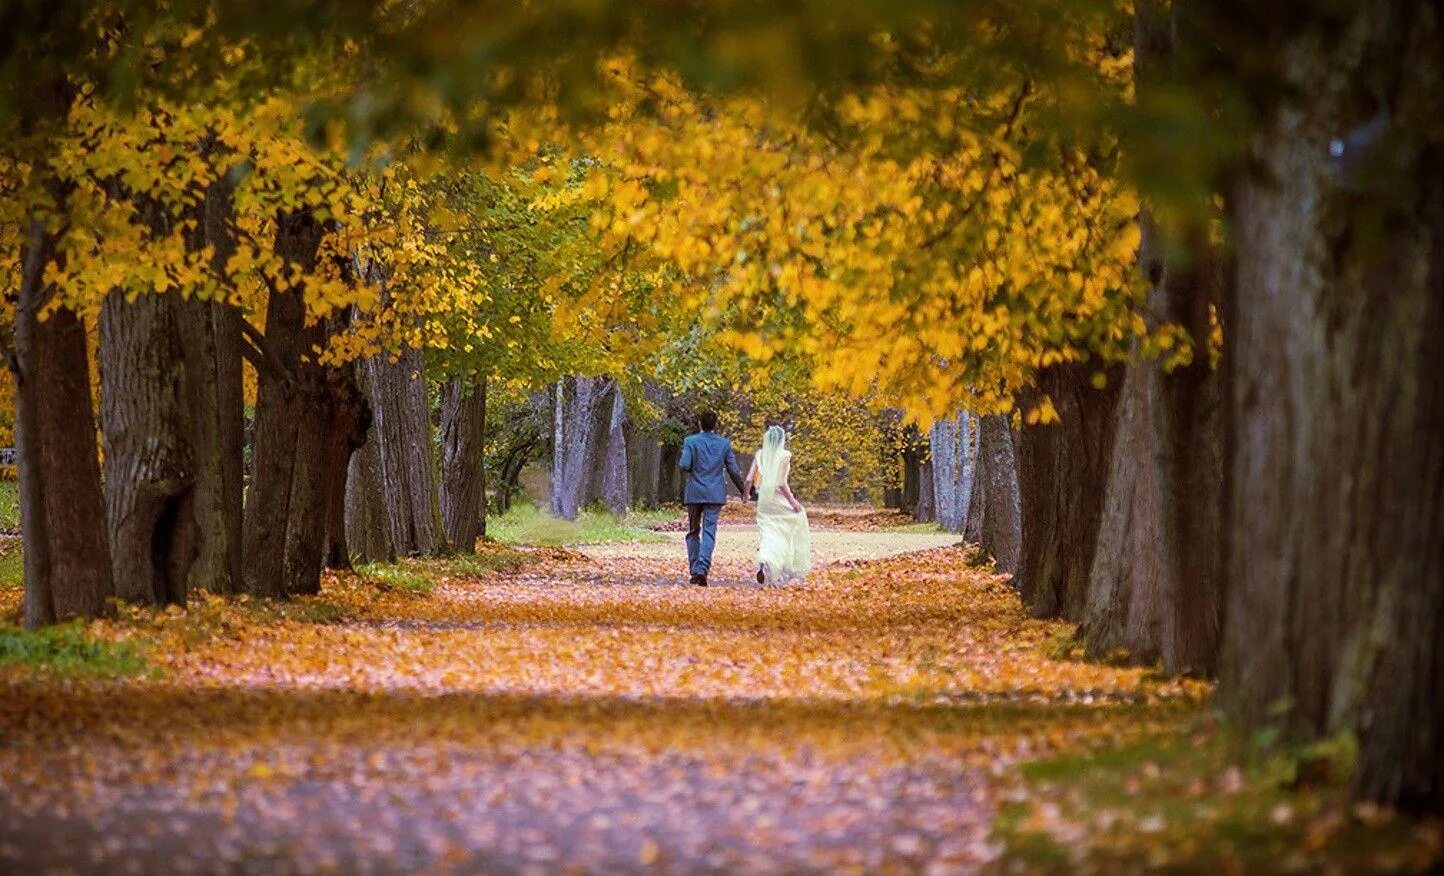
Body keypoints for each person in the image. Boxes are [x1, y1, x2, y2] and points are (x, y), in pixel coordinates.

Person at [678, 410, 748, 586]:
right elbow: (733, 469)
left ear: (699, 423)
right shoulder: (724, 444)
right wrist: (743, 490)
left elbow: (684, 464)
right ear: (715, 425)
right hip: (714, 494)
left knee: (693, 531)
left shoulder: (690, 442)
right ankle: (703, 568)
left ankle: (695, 570)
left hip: (694, 493)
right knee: (709, 531)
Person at [747, 426, 812, 585]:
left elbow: (749, 478)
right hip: (778, 499)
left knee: (768, 531)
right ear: (781, 439)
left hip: (764, 501)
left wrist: (745, 494)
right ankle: (778, 565)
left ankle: (764, 559)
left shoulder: (760, 454)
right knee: (785, 530)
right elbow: (781, 483)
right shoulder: (784, 455)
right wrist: (793, 501)